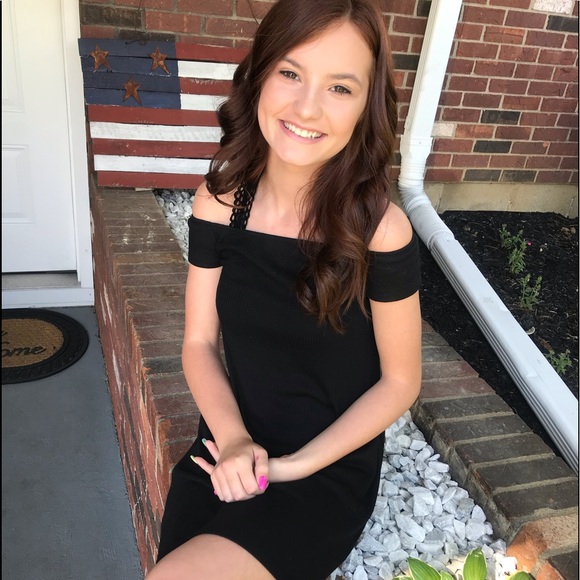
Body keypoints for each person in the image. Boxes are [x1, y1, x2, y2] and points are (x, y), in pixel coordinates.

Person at [147, 0, 422, 578]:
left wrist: (292, 467)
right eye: (291, 73)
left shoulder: (380, 230)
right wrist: (234, 440)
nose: (307, 107)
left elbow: (401, 381)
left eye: (340, 87)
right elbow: (198, 342)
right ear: (259, 75)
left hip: (323, 469)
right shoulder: (219, 203)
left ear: (366, 107)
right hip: (226, 446)